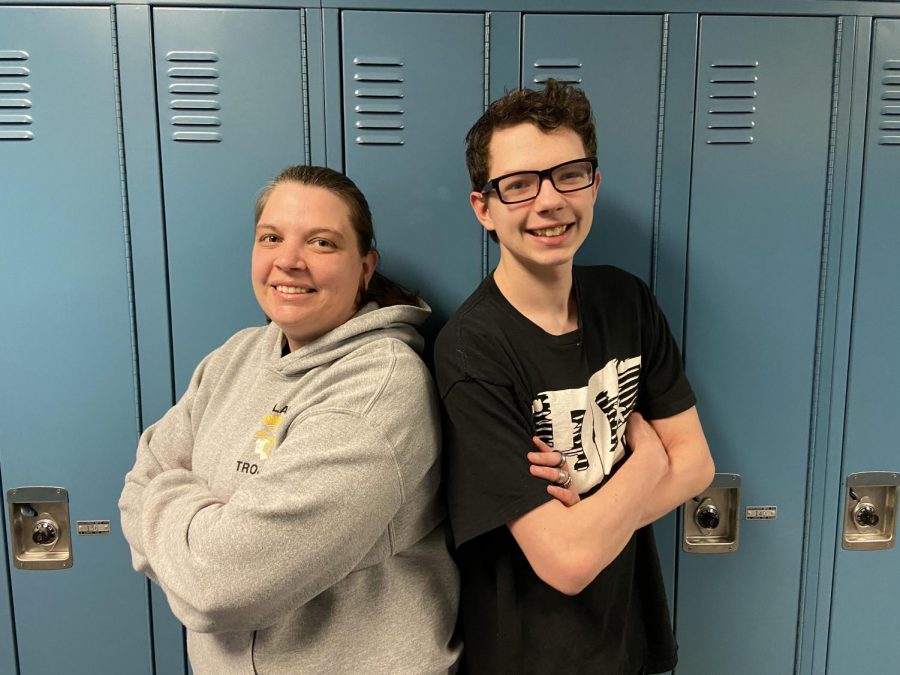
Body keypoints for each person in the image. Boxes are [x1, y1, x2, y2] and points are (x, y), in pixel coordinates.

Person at [119, 165, 460, 674]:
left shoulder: (379, 389)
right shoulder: (234, 356)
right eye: (271, 237)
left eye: (321, 243)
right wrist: (203, 534)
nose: (288, 261)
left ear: (365, 267)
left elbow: (221, 585)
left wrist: (169, 497)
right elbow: (133, 485)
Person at [434, 80, 715, 674]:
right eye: (518, 185)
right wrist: (645, 463)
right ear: (483, 208)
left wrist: (590, 516)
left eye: (569, 174)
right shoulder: (471, 349)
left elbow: (697, 464)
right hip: (528, 654)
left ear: (594, 184)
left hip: (627, 636)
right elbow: (564, 563)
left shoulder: (626, 299)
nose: (549, 201)